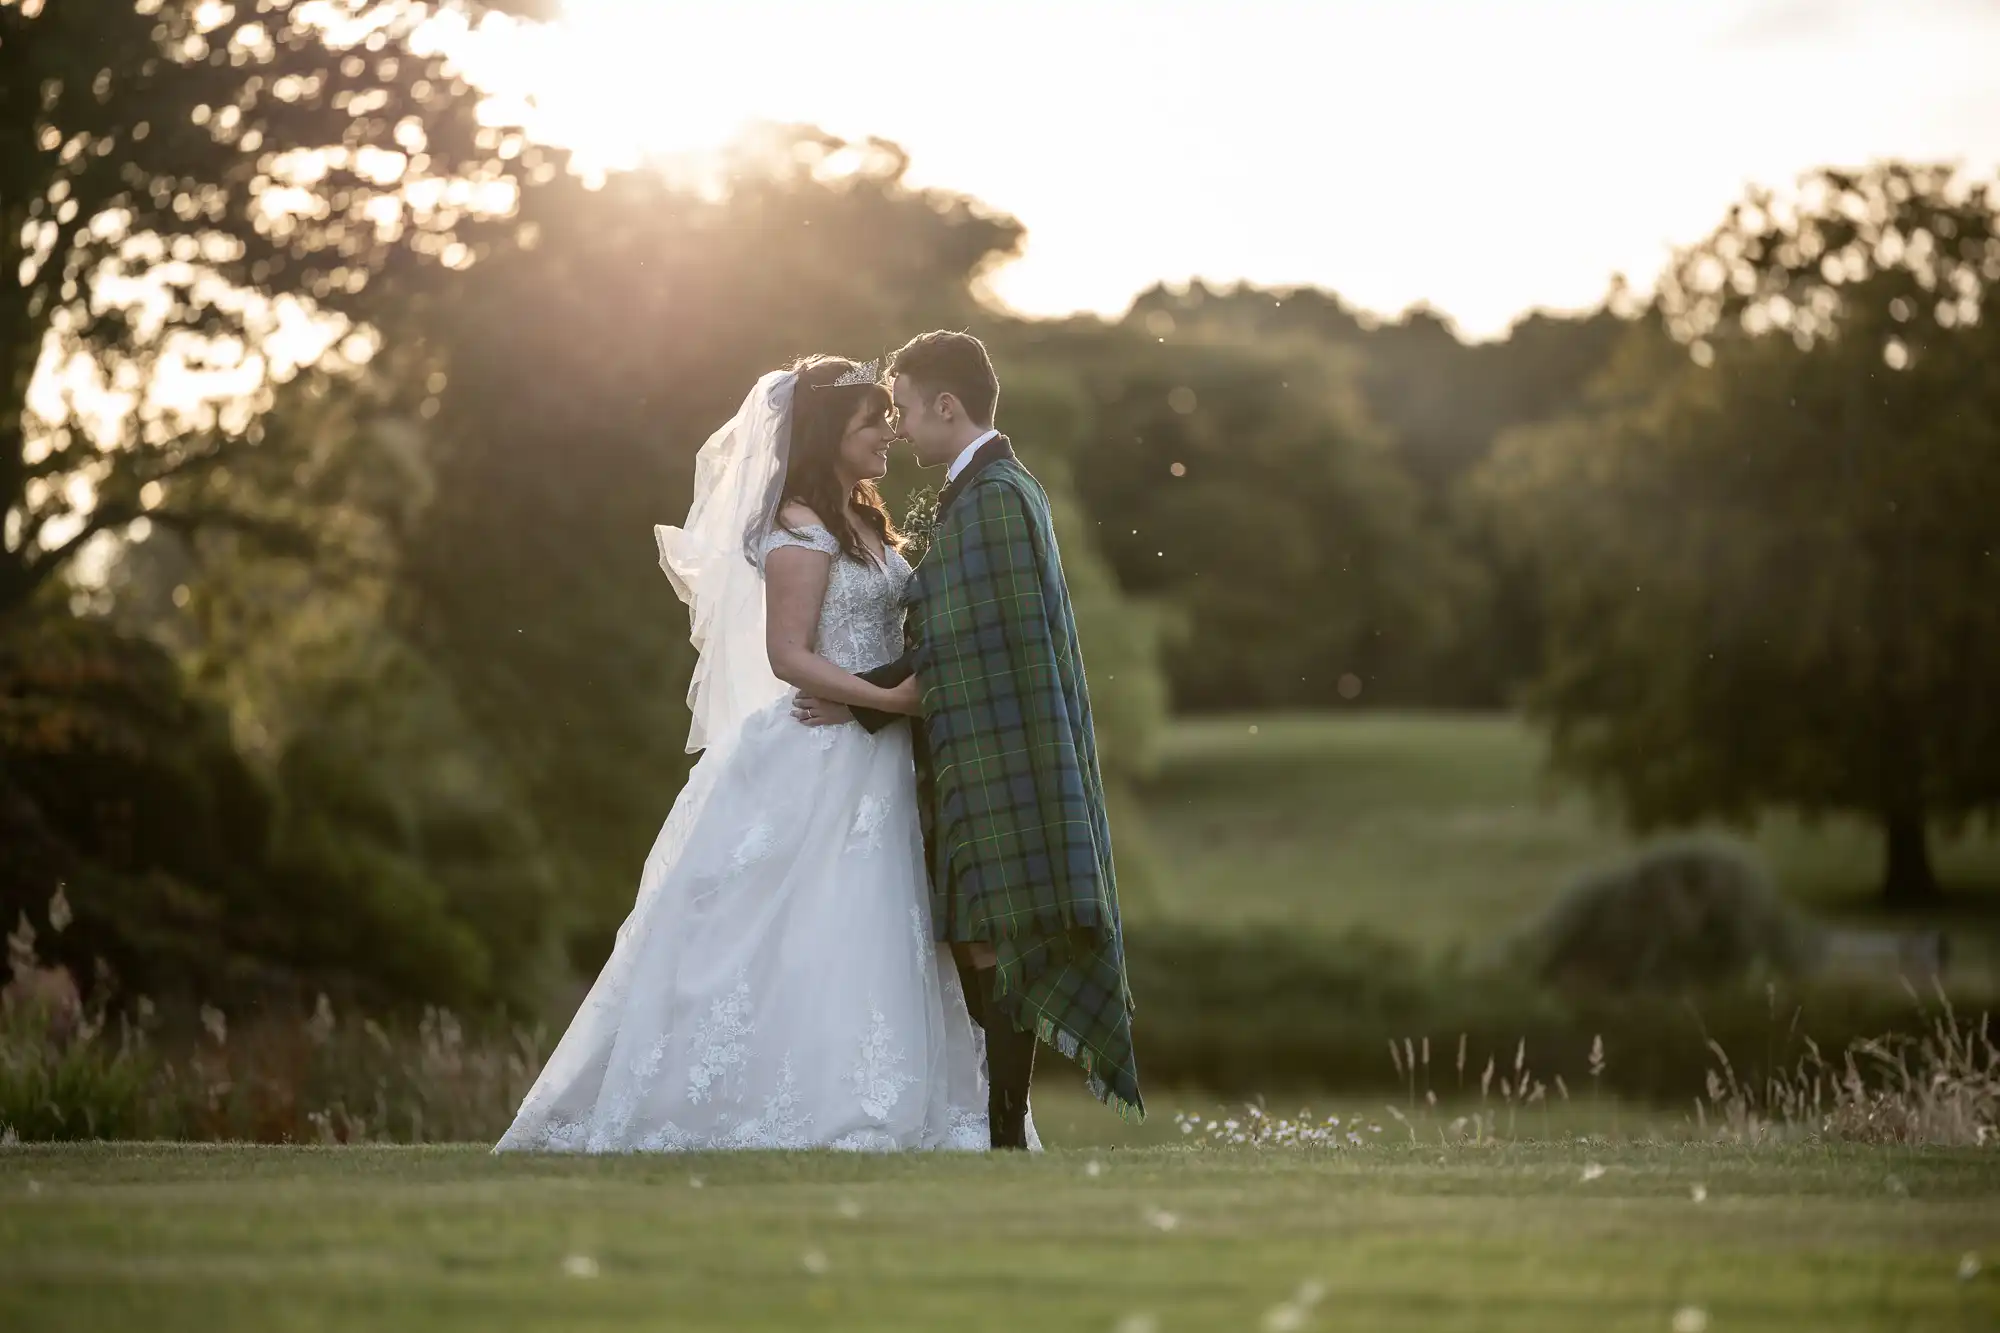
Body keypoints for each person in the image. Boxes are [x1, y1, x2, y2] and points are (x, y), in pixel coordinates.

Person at [496, 355, 1022, 1153]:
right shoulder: (800, 529)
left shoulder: (866, 522)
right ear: (825, 437)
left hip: (877, 759)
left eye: (889, 416)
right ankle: (797, 1104)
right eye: (870, 422)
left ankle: (911, 1101)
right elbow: (788, 655)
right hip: (824, 749)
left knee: (880, 926)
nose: (889, 431)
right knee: (800, 925)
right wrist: (884, 700)